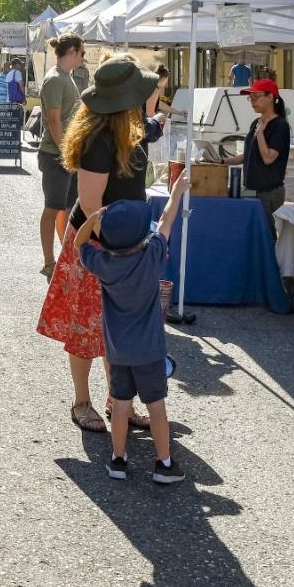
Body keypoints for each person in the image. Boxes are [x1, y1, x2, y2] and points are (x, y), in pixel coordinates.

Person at [37, 56, 162, 434]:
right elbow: (92, 205)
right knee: (86, 328)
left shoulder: (127, 127)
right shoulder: (100, 138)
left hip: (120, 243)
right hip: (97, 245)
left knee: (115, 329)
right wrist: (111, 253)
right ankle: (81, 401)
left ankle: (117, 400)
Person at [75, 175, 188, 484]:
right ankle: (164, 464)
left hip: (118, 352)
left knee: (121, 406)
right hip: (149, 352)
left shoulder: (104, 263)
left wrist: (93, 218)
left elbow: (79, 243)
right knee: (157, 409)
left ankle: (118, 460)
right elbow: (166, 219)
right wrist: (176, 191)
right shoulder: (152, 256)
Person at [38, 33, 86, 278]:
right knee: (52, 207)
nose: (83, 58)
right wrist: (65, 151)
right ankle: (49, 261)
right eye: (83, 53)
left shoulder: (65, 77)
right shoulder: (56, 79)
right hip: (56, 154)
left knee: (66, 208)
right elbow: (54, 120)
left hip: (66, 153)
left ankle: (64, 256)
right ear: (73, 51)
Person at [222, 78, 291, 238]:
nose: (252, 101)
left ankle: (271, 264)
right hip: (252, 189)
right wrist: (221, 162)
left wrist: (260, 133)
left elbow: (268, 158)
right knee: (253, 235)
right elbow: (249, 154)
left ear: (270, 97)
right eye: (250, 97)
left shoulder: (280, 126)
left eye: (256, 96)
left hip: (268, 191)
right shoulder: (257, 122)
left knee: (267, 237)